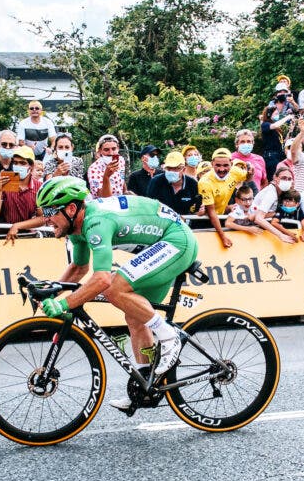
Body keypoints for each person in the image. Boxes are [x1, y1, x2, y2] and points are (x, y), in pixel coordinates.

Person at [34, 177, 198, 414]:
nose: (45, 218)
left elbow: (101, 279)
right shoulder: (77, 229)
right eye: (42, 211)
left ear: (71, 209)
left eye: (49, 211)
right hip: (162, 243)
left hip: (177, 241)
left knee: (113, 287)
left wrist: (62, 304)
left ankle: (168, 335)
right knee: (134, 317)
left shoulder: (96, 222)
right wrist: (51, 290)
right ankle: (146, 386)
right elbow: (79, 268)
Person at [198, 148, 249, 248]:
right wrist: (223, 237)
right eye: (218, 165)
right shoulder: (204, 182)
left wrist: (251, 173)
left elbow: (247, 177)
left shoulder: (236, 171)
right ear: (212, 164)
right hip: (205, 220)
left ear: (231, 163)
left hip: (222, 216)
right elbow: (211, 212)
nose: (221, 169)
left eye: (225, 165)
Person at [0, 146, 43, 225]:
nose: (18, 166)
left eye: (23, 163)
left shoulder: (39, 187)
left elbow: (42, 218)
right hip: (3, 234)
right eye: (15, 163)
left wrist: (18, 226)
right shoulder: (3, 182)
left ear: (31, 166)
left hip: (28, 235)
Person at [145, 151, 200, 217]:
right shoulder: (156, 182)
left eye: (176, 168)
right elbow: (149, 205)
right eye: (169, 168)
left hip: (185, 223)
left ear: (183, 169)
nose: (171, 171)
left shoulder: (192, 184)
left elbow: (197, 209)